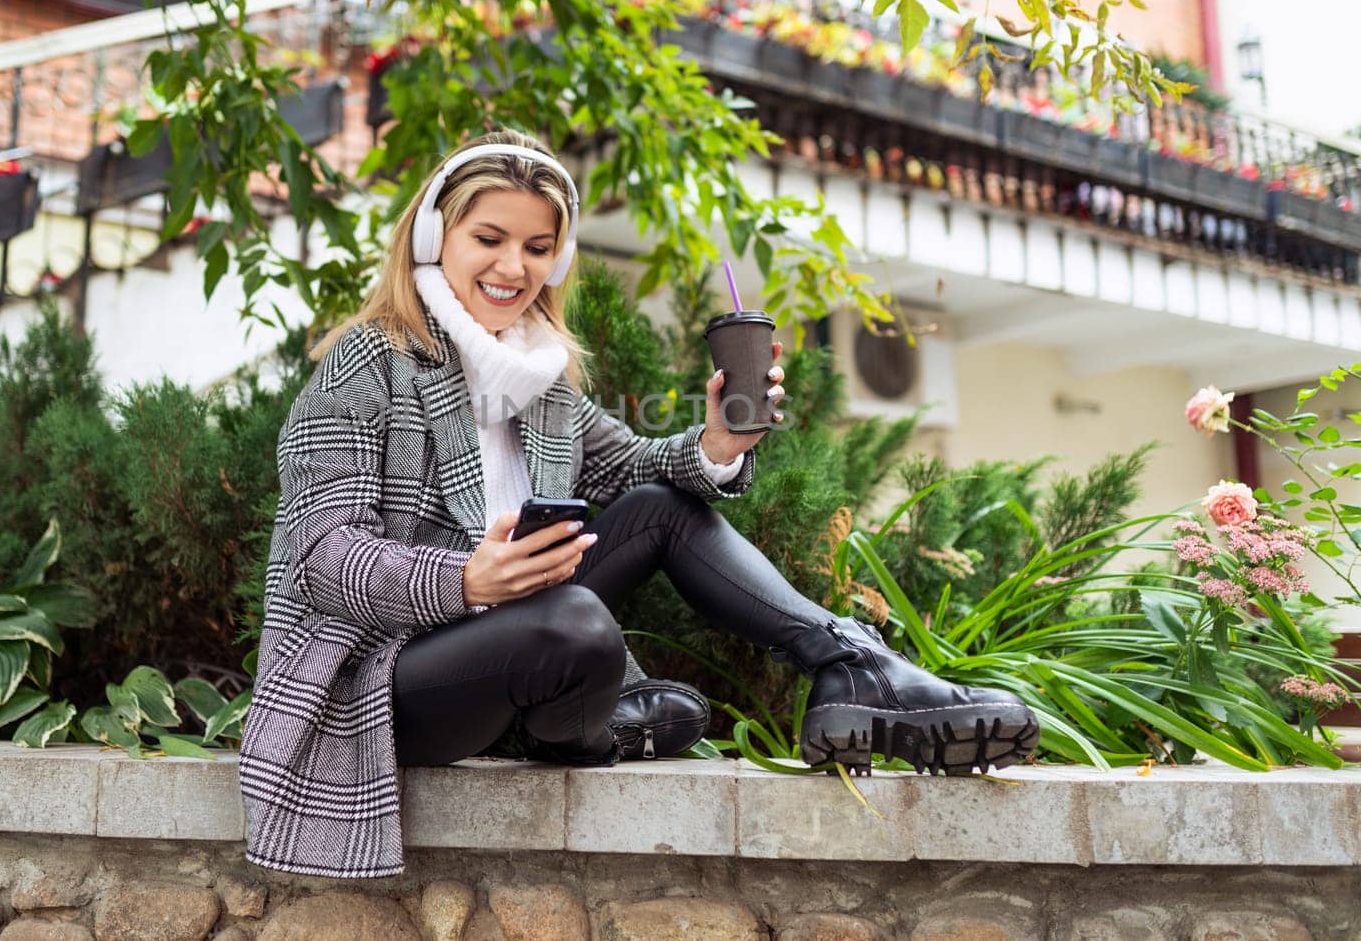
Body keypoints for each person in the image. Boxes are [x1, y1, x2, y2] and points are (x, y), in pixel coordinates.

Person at [238, 129, 1040, 879]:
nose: (513, 266)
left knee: (663, 505)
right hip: (380, 678)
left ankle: (851, 666)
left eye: (537, 246)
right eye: (489, 238)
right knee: (576, 625)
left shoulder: (541, 380)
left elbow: (641, 473)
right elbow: (324, 560)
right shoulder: (368, 363)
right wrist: (470, 581)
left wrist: (719, 445)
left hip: (506, 636)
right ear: (432, 239)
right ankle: (588, 727)